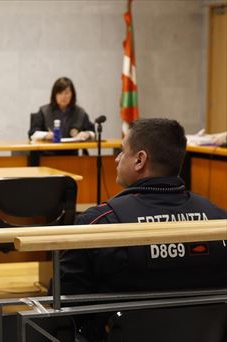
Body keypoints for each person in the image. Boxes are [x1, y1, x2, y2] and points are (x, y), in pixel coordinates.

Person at [58, 118, 227, 340]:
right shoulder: (219, 220)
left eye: (122, 151)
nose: (117, 158)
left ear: (140, 160)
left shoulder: (98, 224)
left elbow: (66, 306)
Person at [28, 77, 95, 142]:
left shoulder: (80, 112)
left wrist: (87, 134)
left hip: (72, 151)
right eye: (60, 93)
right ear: (54, 95)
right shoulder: (44, 111)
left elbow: (93, 132)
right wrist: (46, 135)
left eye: (66, 93)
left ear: (72, 94)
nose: (63, 96)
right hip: (49, 151)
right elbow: (32, 133)